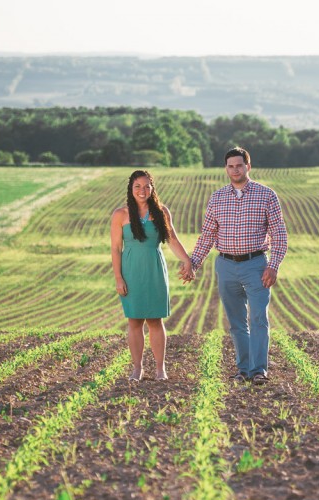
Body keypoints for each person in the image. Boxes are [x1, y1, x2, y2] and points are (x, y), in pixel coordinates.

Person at [190, 147, 288, 385]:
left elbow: (280, 235)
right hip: (225, 266)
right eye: (231, 166)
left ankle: (258, 371)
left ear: (248, 167)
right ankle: (243, 369)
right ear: (226, 169)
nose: (235, 170)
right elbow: (207, 235)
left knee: (258, 319)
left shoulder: (266, 195)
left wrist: (273, 265)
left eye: (239, 165)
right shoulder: (217, 197)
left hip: (256, 265)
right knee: (236, 323)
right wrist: (194, 263)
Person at [110, 170, 194, 381]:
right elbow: (115, 249)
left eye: (147, 186)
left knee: (155, 320)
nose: (142, 190)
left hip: (155, 269)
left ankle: (160, 369)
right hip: (131, 271)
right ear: (131, 188)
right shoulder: (120, 215)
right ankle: (137, 368)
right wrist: (118, 278)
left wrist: (187, 261)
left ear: (152, 188)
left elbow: (172, 240)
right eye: (138, 186)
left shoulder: (161, 212)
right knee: (134, 321)